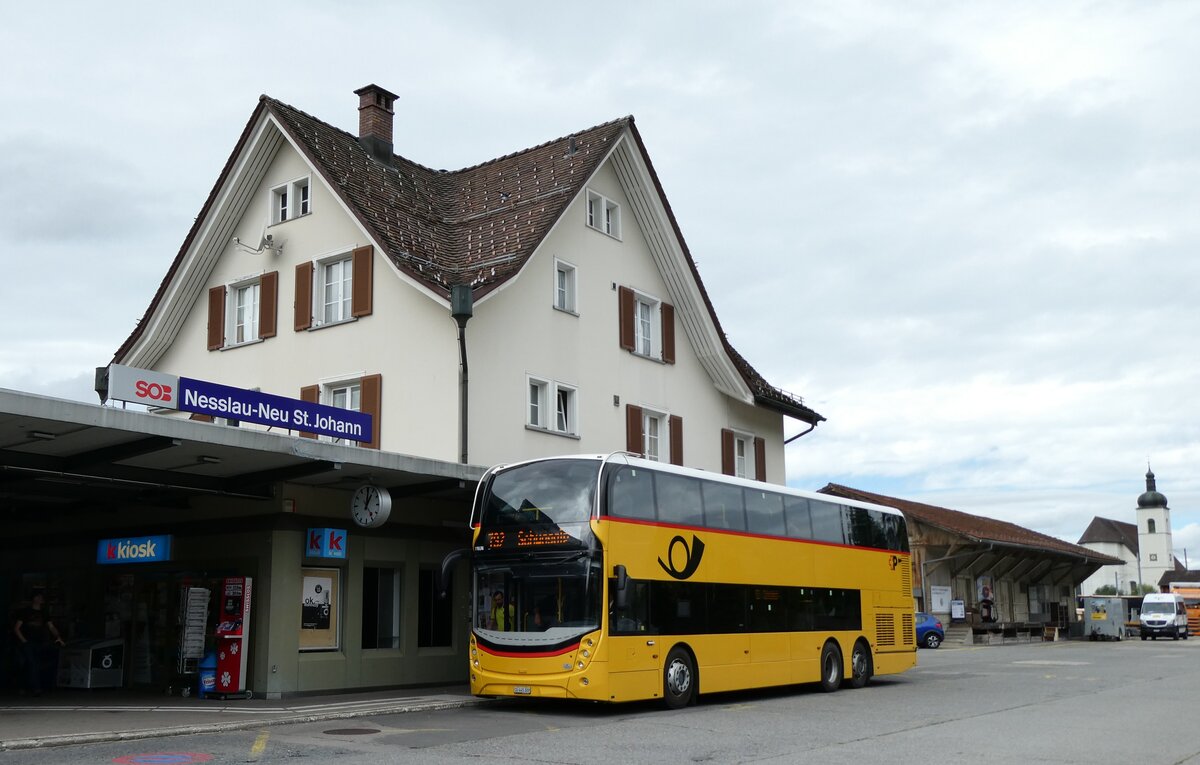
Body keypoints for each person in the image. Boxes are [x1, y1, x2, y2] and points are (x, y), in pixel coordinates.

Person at [13, 593, 65, 696]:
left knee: (34, 664)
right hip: (28, 642)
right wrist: (24, 641)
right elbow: (17, 628)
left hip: (39, 642)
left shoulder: (44, 613)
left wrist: (58, 636)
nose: (40, 599)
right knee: (31, 663)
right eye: (38, 597)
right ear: (34, 599)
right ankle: (36, 688)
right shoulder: (25, 612)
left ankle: (29, 686)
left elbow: (51, 626)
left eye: (41, 597)